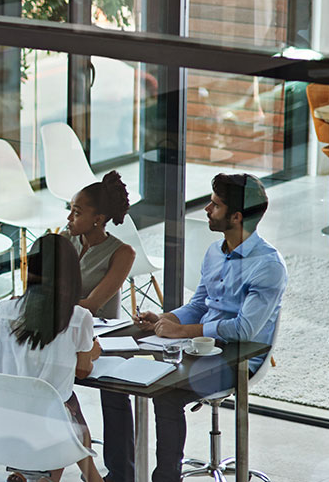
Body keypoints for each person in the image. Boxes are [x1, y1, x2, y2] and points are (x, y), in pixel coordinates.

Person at [122, 173, 286, 482]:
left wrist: (183, 332)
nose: (207, 210)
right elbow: (199, 303)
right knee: (140, 370)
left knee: (166, 394)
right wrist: (166, 318)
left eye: (215, 205)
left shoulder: (268, 266)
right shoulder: (215, 251)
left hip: (239, 357)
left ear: (236, 217)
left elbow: (244, 330)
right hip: (201, 348)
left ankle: (165, 478)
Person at [0, 234, 105, 482]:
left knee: (63, 409)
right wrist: (93, 351)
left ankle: (33, 474)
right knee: (67, 408)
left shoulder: (1, 311)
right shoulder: (78, 318)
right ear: (71, 274)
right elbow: (83, 371)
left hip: (3, 421)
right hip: (51, 425)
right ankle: (75, 478)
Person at [60, 171, 137, 482]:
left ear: (99, 218)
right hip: (62, 332)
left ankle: (121, 474)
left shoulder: (122, 252)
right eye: (71, 209)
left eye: (77, 212)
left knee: (116, 393)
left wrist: (58, 301)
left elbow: (92, 305)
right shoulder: (64, 239)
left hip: (102, 339)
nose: (69, 217)